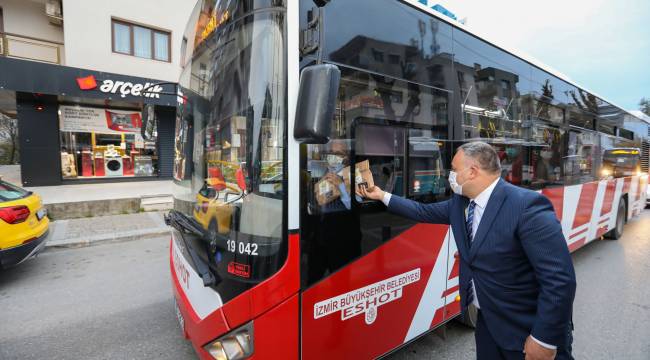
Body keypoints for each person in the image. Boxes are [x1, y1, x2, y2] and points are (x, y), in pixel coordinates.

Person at [358, 141, 576, 360]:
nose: (450, 175)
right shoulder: (460, 204)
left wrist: (543, 340)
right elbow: (422, 211)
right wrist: (382, 195)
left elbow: (559, 279)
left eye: (454, 169)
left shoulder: (526, 206)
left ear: (472, 172)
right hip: (487, 323)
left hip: (524, 328)